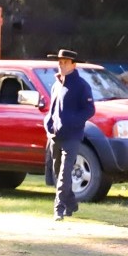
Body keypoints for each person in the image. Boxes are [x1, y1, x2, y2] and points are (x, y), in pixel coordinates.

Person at [43, 49, 95, 221]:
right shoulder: (56, 84)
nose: (61, 65)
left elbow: (89, 110)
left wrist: (73, 122)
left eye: (65, 62)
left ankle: (58, 208)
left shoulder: (81, 86)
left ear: (73, 64)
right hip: (55, 136)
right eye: (60, 62)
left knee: (65, 173)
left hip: (72, 136)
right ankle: (71, 203)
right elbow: (52, 109)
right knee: (58, 172)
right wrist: (48, 123)